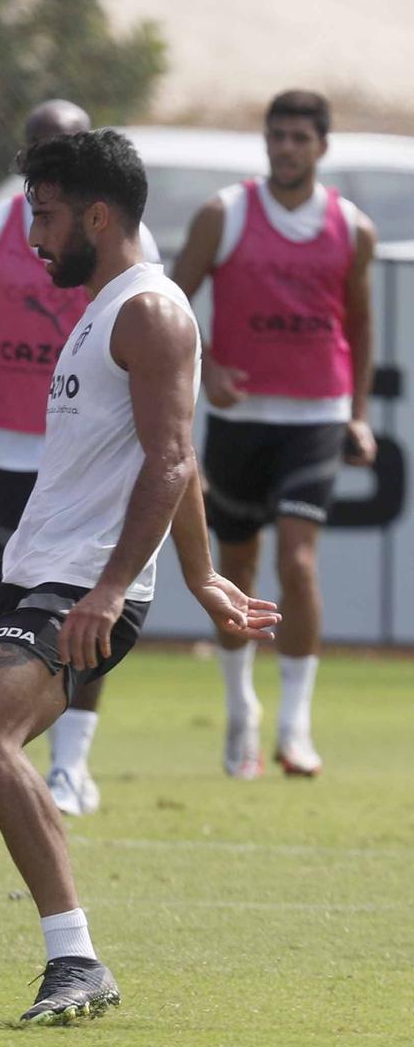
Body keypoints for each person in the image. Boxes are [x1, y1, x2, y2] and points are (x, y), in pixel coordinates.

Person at [0, 131, 278, 1025]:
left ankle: (77, 959)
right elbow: (173, 458)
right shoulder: (101, 303)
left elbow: (169, 460)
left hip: (84, 587)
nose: (32, 235)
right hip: (27, 574)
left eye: (43, 215)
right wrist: (202, 574)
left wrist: (118, 588)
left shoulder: (150, 311)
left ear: (98, 214)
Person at [0, 100, 165, 818]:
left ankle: (69, 763)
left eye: (67, 146)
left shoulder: (136, 269)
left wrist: (193, 570)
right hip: (16, 442)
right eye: (42, 146)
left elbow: (171, 438)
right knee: (20, 595)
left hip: (96, 454)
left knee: (88, 600)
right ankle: (5, 741)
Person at [170, 89, 376, 779]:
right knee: (238, 569)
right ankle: (240, 714)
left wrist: (359, 414)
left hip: (316, 416)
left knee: (299, 560)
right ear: (266, 143)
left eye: (299, 137)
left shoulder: (352, 228)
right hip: (239, 421)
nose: (286, 147)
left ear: (322, 147)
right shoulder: (223, 215)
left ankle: (295, 727)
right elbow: (169, 305)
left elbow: (360, 323)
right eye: (276, 135)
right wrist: (210, 364)